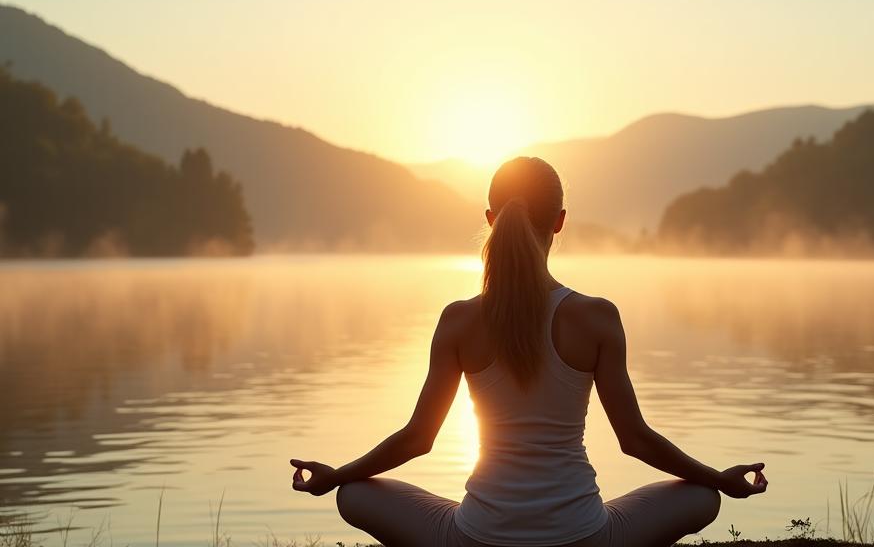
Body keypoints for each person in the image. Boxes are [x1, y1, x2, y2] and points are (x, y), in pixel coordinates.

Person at [290, 156, 767, 546]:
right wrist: (718, 478)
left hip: (477, 538)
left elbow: (418, 439)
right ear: (559, 222)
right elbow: (635, 440)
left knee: (353, 494)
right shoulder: (597, 317)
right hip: (585, 537)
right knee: (703, 498)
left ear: (489, 220)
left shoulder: (458, 320)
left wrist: (337, 475)